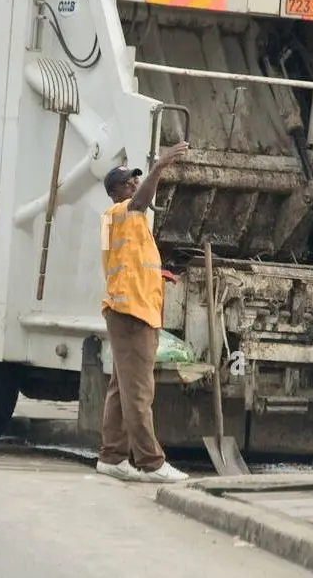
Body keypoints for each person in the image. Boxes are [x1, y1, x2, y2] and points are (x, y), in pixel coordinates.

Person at [96, 141, 191, 483]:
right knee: (139, 391)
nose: (135, 186)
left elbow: (131, 263)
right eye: (127, 182)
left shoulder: (133, 223)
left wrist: (160, 275)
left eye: (136, 181)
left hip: (133, 311)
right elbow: (137, 203)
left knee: (122, 389)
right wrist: (160, 167)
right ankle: (151, 462)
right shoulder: (118, 213)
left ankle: (112, 457)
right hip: (131, 313)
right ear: (114, 193)